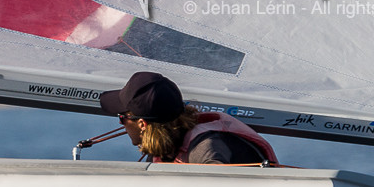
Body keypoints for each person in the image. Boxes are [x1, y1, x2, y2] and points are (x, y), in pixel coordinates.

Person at [99, 70, 277, 165]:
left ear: (142, 124)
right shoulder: (164, 147)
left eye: (122, 118)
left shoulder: (206, 148)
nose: (122, 124)